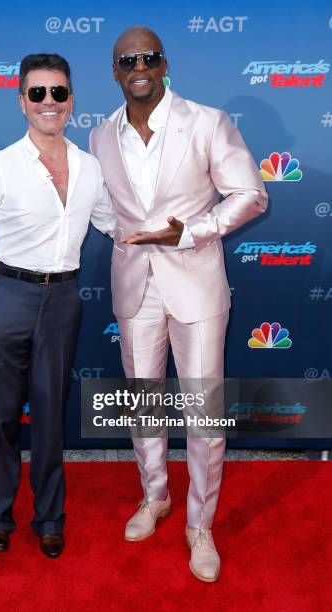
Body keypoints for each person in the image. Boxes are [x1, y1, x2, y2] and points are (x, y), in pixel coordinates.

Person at [90, 27, 268, 582]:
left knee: (203, 415)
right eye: (127, 60)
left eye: (148, 57)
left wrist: (189, 232)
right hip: (133, 287)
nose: (138, 66)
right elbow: (101, 206)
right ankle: (155, 497)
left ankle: (200, 525)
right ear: (114, 72)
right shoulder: (99, 136)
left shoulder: (208, 122)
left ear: (164, 64)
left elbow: (251, 194)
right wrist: (125, 235)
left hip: (195, 287)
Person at [0, 53, 115, 557]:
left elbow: (114, 222)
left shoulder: (91, 168)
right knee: (0, 416)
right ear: (22, 100)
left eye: (59, 93)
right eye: (38, 93)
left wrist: (178, 226)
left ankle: (49, 518)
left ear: (71, 101)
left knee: (50, 413)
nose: (50, 102)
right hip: (6, 296)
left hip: (64, 299)